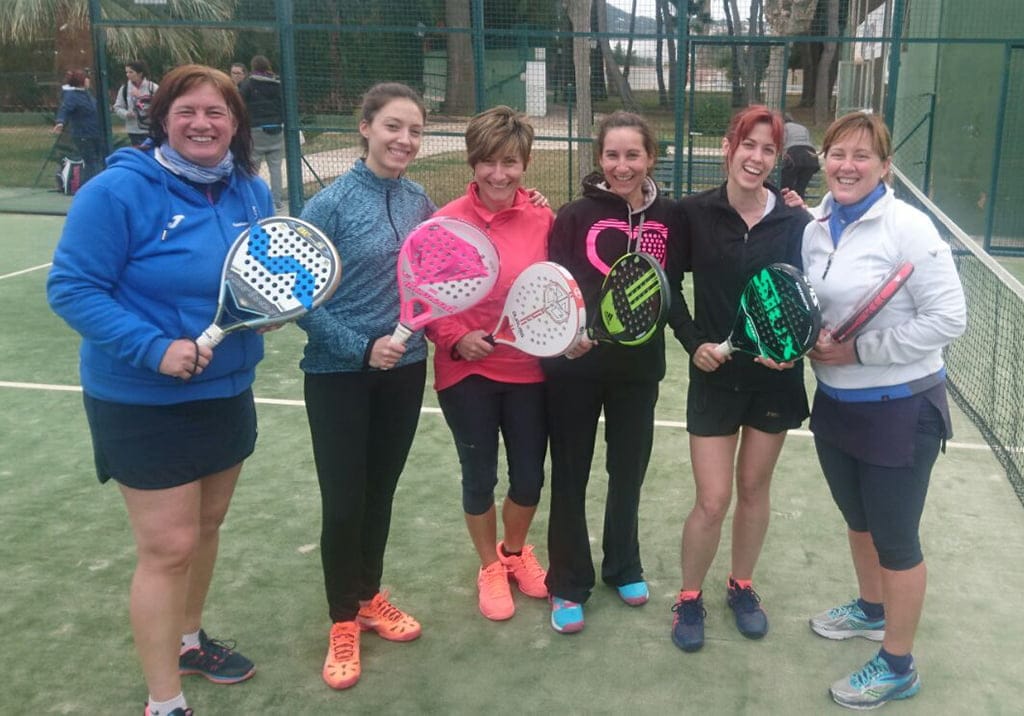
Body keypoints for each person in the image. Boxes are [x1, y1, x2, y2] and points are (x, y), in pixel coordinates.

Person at [47, 64, 274, 716]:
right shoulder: (118, 191)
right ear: (162, 119)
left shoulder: (249, 192)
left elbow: (259, 274)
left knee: (206, 526)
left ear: (236, 127)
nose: (203, 123)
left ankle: (188, 639)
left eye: (218, 113)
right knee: (167, 546)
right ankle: (164, 702)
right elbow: (71, 288)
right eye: (188, 111)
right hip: (139, 399)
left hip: (225, 387)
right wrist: (154, 348)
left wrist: (270, 307)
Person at [802, 111, 965, 710]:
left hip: (901, 409)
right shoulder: (816, 226)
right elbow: (815, 306)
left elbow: (950, 319)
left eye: (862, 156)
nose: (848, 165)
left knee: (895, 539)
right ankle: (871, 610)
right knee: (859, 519)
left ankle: (899, 664)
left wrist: (861, 349)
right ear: (824, 160)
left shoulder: (909, 229)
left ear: (884, 167)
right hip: (836, 405)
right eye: (837, 153)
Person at [296, 82, 434, 691]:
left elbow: (443, 263)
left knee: (380, 493)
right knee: (345, 500)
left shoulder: (419, 199)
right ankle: (341, 618)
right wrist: (360, 347)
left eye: (414, 131)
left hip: (406, 371)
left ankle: (370, 595)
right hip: (338, 376)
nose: (404, 140)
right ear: (365, 127)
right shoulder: (327, 207)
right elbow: (295, 293)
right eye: (393, 127)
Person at [670, 105, 812, 653]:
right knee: (713, 499)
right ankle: (688, 597)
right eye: (747, 145)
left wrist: (792, 349)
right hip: (715, 375)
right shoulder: (693, 213)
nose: (755, 157)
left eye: (767, 149)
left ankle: (742, 586)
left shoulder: (795, 221)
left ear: (777, 158)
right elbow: (668, 288)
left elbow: (804, 298)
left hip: (774, 380)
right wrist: (694, 344)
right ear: (729, 147)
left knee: (754, 489)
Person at [542, 110, 682, 634]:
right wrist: (566, 339)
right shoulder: (574, 215)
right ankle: (568, 583)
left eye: (634, 155)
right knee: (571, 473)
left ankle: (623, 565)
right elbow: (555, 287)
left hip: (639, 370)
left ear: (651, 157)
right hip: (575, 368)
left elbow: (679, 280)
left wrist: (784, 198)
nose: (623, 166)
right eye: (613, 155)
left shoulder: (671, 217)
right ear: (599, 158)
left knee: (628, 472)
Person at [424, 106, 553, 622]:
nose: (499, 174)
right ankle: (488, 566)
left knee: (528, 478)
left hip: (530, 372)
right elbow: (427, 300)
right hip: (467, 372)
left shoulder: (544, 217)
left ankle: (515, 552)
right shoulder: (444, 222)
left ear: (525, 164)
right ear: (472, 162)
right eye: (488, 162)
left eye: (510, 163)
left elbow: (553, 290)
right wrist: (457, 338)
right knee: (479, 476)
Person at [238, 55, 285, 212]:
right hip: (277, 129)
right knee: (276, 168)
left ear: (253, 67)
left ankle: (253, 199)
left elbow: (240, 104)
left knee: (253, 166)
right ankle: (277, 201)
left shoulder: (248, 84)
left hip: (256, 129)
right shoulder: (278, 84)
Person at [53, 69, 103, 184]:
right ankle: (89, 187)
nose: (88, 80)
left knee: (97, 160)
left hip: (94, 132)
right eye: (86, 78)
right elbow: (64, 109)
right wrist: (60, 122)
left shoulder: (87, 94)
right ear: (81, 80)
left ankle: (93, 185)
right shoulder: (71, 96)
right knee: (91, 162)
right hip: (83, 134)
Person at [114, 60, 159, 146]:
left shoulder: (153, 87)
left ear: (140, 73)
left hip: (150, 129)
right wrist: (126, 114)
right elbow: (117, 107)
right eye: (126, 72)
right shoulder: (125, 88)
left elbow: (161, 106)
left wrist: (140, 98)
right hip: (134, 130)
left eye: (131, 72)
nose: (128, 75)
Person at [782, 113, 820, 199]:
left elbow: (782, 143)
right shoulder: (802, 127)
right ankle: (798, 207)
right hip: (811, 156)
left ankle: (786, 206)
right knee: (800, 188)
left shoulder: (783, 128)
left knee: (785, 186)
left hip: (794, 154)